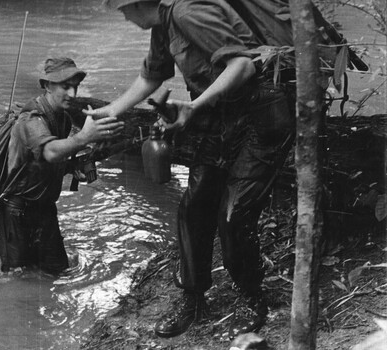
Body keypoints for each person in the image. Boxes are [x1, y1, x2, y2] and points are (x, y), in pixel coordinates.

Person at [86, 0, 295, 339]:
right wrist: (112, 110)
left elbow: (242, 65)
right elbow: (152, 75)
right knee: (194, 206)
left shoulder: (186, 12)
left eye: (122, 7)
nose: (121, 14)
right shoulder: (163, 26)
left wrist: (193, 106)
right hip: (218, 115)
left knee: (234, 213)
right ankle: (193, 297)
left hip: (261, 112)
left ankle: (251, 295)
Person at [0, 57, 125, 276]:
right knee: (19, 278)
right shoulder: (30, 118)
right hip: (15, 213)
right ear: (46, 85)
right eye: (65, 87)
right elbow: (50, 151)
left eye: (75, 86)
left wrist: (73, 168)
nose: (73, 94)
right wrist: (83, 138)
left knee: (58, 271)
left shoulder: (62, 119)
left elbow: (46, 163)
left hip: (44, 209)